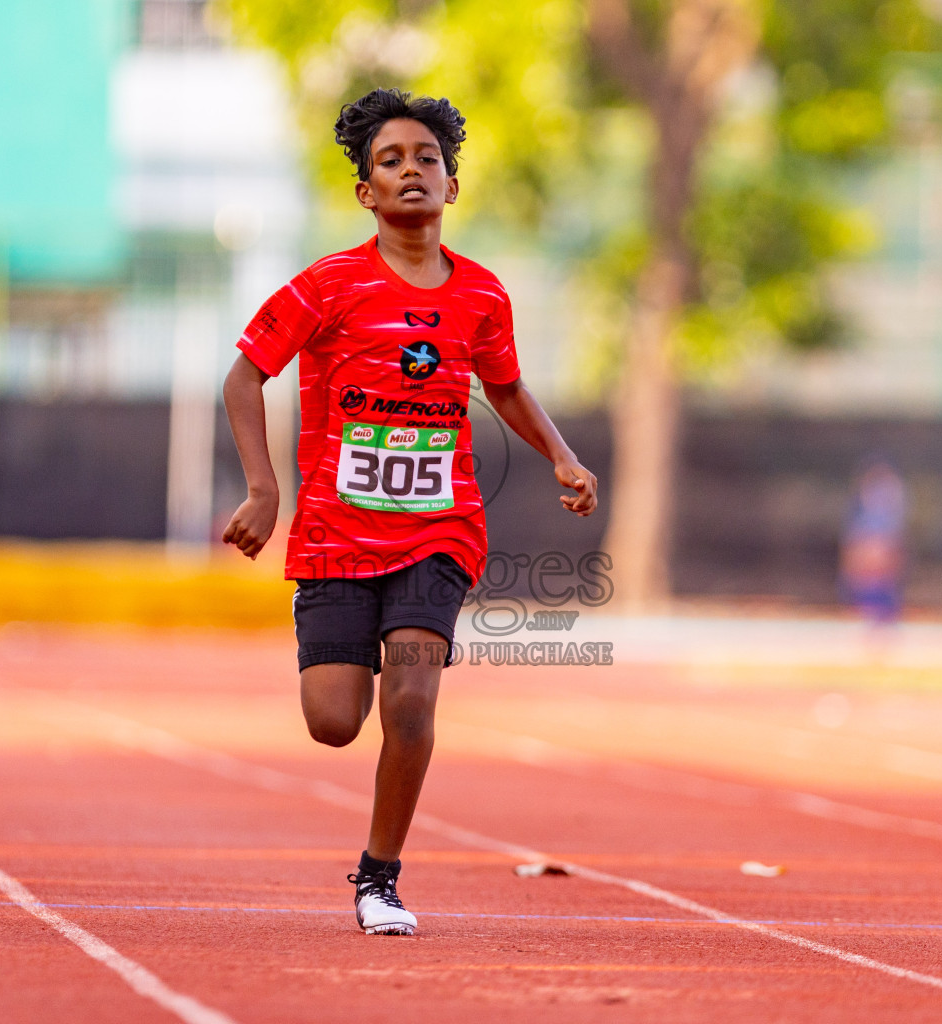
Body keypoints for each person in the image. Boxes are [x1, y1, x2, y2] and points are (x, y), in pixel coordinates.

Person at [221, 88, 598, 936]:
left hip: (440, 530)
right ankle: (369, 845)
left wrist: (563, 458)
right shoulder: (329, 284)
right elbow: (244, 376)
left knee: (413, 698)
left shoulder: (482, 296)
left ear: (452, 185)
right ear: (367, 193)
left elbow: (504, 386)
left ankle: (379, 877)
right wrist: (264, 487)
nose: (411, 171)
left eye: (427, 158)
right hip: (333, 532)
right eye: (390, 161)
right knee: (333, 723)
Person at [840, 458, 907, 626]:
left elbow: (897, 559)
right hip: (864, 589)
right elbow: (852, 558)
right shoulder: (860, 524)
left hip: (884, 589)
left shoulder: (893, 525)